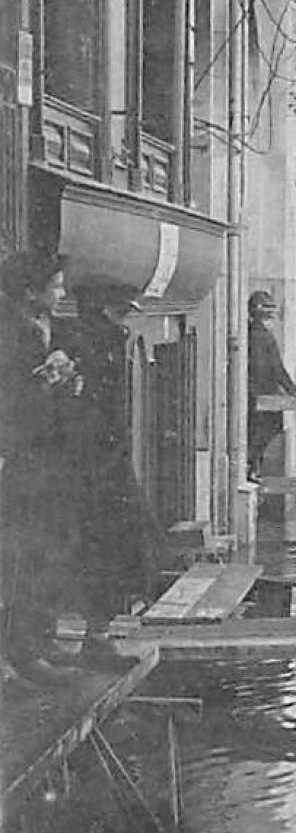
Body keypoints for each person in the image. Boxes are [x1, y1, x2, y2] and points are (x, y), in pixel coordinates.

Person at [0, 252, 87, 682]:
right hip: (22, 462)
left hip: (45, 459)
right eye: (55, 286)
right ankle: (22, 653)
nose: (62, 292)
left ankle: (37, 641)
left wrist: (66, 382)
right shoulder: (12, 333)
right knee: (23, 555)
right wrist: (48, 383)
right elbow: (11, 406)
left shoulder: (40, 328)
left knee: (46, 549)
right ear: (31, 291)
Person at [69, 279, 163, 659]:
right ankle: (99, 629)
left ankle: (101, 625)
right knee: (108, 544)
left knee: (111, 543)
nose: (124, 321)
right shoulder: (99, 342)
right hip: (100, 465)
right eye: (121, 311)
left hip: (105, 462)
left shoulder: (99, 338)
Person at [247, 290, 296, 482]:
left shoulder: (250, 334)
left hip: (252, 393)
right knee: (270, 427)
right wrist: (294, 391)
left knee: (255, 431)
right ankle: (251, 466)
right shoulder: (265, 337)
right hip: (263, 394)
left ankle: (251, 466)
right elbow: (276, 368)